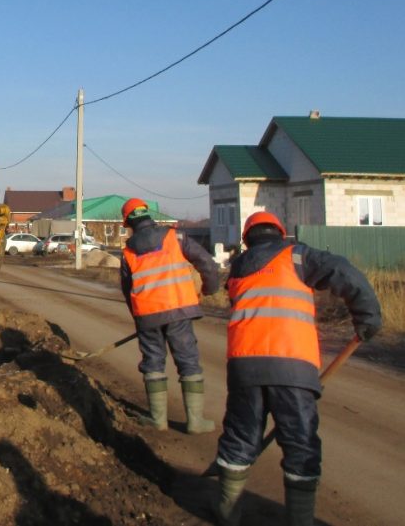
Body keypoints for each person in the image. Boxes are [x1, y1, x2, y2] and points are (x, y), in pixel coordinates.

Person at [213, 211, 381, 526]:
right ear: (279, 233)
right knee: (300, 444)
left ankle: (226, 512)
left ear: (247, 238)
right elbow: (342, 270)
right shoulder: (298, 256)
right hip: (293, 367)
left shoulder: (237, 269)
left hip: (244, 368)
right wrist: (367, 316)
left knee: (239, 437)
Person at [120, 197, 219, 434]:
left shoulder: (128, 251)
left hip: (147, 316)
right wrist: (210, 288)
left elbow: (127, 289)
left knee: (153, 363)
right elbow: (205, 261)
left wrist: (138, 317)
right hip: (179, 311)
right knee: (188, 360)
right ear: (148, 214)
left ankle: (158, 420)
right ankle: (195, 422)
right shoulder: (175, 237)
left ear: (128, 222)